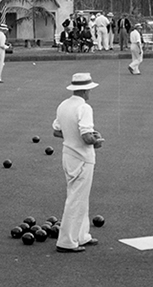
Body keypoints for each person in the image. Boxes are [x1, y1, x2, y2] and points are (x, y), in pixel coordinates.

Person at [52, 72, 103, 253]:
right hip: (83, 158)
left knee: (79, 197)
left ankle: (82, 235)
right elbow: (86, 136)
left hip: (68, 155)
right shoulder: (84, 108)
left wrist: (73, 134)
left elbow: (57, 132)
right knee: (76, 198)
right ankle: (66, 241)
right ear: (85, 90)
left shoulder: (63, 105)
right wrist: (96, 140)